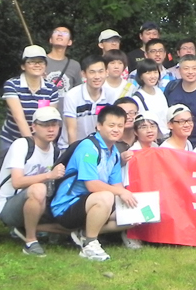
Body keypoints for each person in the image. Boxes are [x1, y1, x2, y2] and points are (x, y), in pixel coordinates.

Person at [48, 105, 141, 261]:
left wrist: (126, 197)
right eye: (111, 125)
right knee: (105, 197)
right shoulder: (89, 148)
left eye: (120, 126)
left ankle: (83, 233)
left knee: (135, 215)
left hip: (90, 202)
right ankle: (89, 244)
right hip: (67, 205)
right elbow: (92, 185)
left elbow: (117, 185)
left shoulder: (114, 153)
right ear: (99, 126)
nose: (116, 129)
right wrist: (121, 192)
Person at [0, 107, 69, 256]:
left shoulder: (55, 150)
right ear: (33, 127)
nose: (51, 129)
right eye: (45, 125)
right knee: (38, 189)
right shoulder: (22, 145)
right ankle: (30, 241)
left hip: (40, 202)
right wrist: (49, 175)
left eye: (54, 125)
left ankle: (34, 229)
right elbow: (17, 182)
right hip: (9, 204)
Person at [0, 45, 60, 152]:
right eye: (32, 62)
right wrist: (31, 145)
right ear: (23, 66)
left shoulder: (52, 88)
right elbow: (19, 117)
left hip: (41, 141)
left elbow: (50, 119)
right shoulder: (12, 85)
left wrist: (40, 145)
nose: (37, 65)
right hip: (12, 139)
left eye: (41, 62)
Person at [62, 55, 111, 146]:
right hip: (73, 146)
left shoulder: (110, 95)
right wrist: (74, 152)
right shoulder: (72, 96)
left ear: (106, 72)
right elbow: (71, 130)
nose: (97, 76)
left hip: (99, 146)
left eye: (101, 71)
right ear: (83, 74)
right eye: (92, 72)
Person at [132, 58, 169, 136]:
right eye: (148, 73)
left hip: (165, 135)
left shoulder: (159, 91)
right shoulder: (137, 98)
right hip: (151, 137)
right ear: (141, 76)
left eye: (155, 72)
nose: (153, 76)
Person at [45, 25, 83, 96]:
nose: (60, 34)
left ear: (70, 42)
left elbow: (78, 91)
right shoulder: (41, 62)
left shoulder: (74, 65)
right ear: (50, 40)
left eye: (65, 33)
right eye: (56, 32)